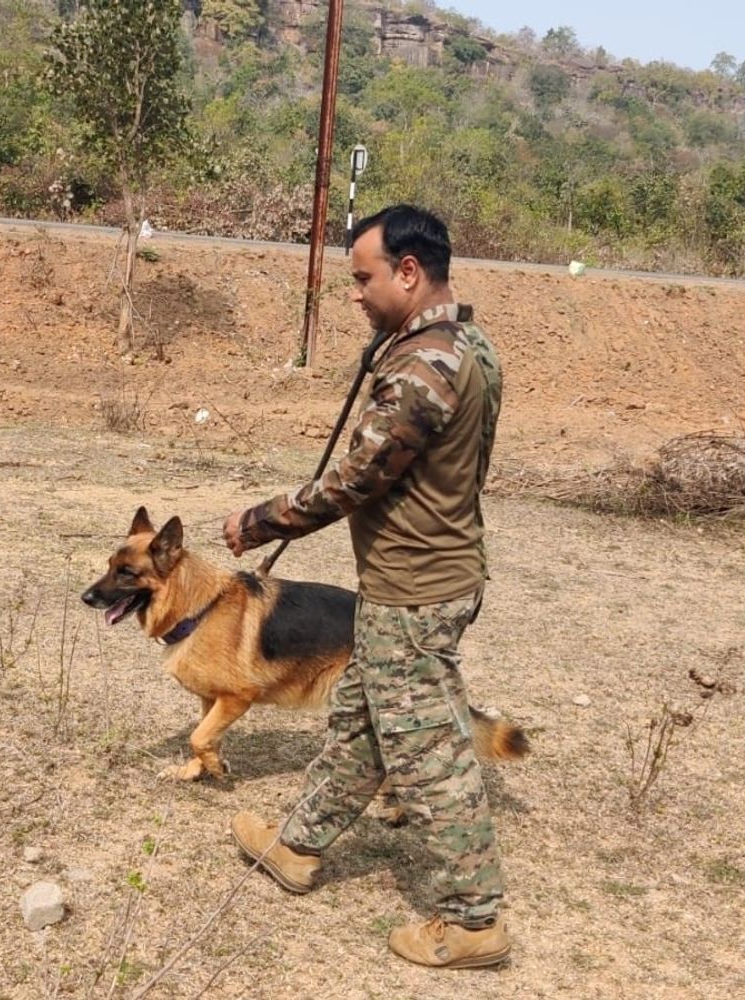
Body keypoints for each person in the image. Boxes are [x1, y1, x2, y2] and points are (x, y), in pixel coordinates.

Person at [221, 204, 509, 969]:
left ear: (408, 272)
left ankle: (474, 922)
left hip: (415, 589)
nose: (355, 293)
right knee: (361, 721)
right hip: (421, 579)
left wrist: (262, 520)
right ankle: (298, 846)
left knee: (427, 754)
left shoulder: (424, 366)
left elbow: (354, 481)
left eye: (363, 277)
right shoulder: (465, 342)